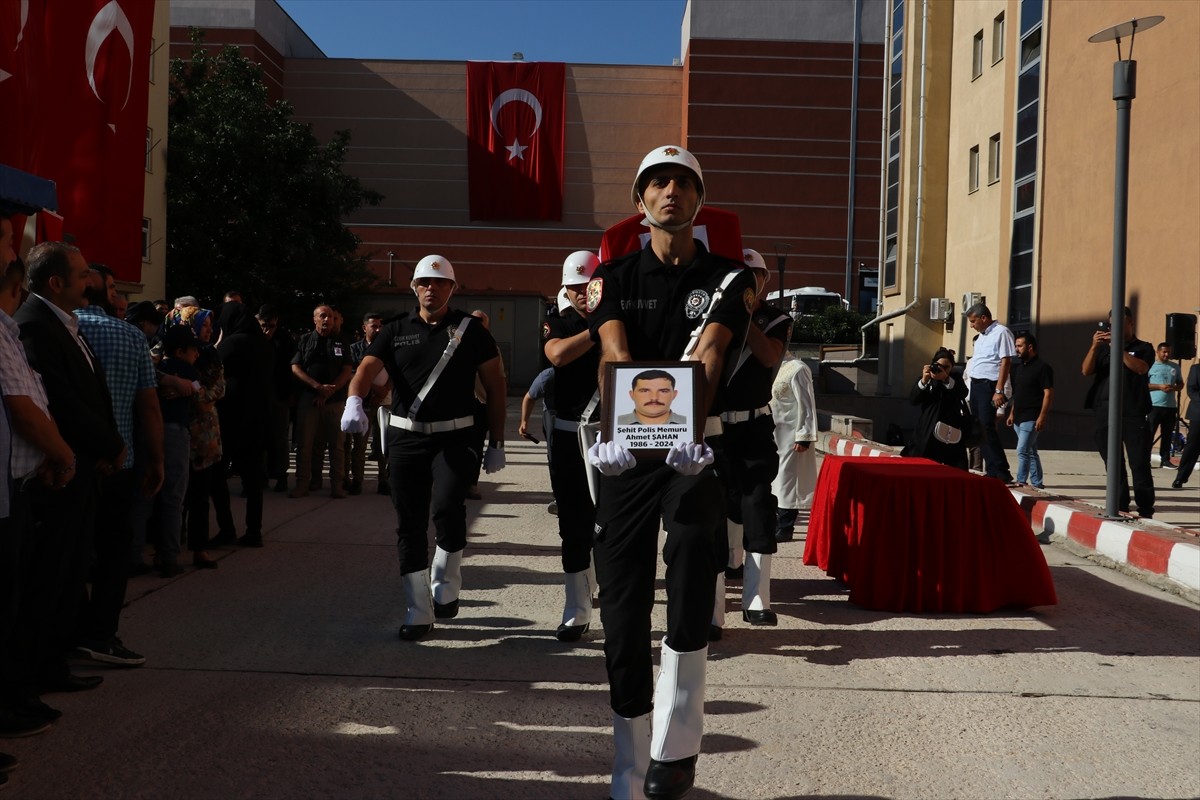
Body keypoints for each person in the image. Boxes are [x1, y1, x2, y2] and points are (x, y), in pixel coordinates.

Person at [585, 145, 754, 800]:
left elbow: (711, 354)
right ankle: (628, 761)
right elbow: (613, 353)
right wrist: (612, 438)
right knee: (622, 601)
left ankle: (677, 744)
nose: (670, 192)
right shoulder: (613, 276)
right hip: (628, 453)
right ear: (640, 202)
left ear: (698, 200)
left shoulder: (730, 278)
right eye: (657, 183)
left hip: (692, 451)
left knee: (689, 558)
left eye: (683, 183)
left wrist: (684, 434)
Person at [341, 255, 507, 641]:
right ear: (413, 288)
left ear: (453, 288)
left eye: (439, 282)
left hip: (456, 436)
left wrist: (496, 441)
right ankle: (418, 608)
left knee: (448, 507)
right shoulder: (395, 329)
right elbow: (365, 370)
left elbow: (496, 386)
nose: (431, 288)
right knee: (409, 521)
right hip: (406, 437)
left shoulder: (470, 330)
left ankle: (446, 580)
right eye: (424, 282)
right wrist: (354, 400)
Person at [14, 242, 125, 697]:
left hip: (83, 467)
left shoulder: (66, 325)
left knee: (70, 571)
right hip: (60, 471)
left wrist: (108, 443)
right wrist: (108, 443)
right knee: (51, 575)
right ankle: (38, 669)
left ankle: (53, 663)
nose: (91, 283)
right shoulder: (36, 327)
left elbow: (92, 396)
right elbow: (59, 401)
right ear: (55, 282)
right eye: (82, 276)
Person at [0, 221, 72, 737]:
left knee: (18, 602)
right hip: (10, 489)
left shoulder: (8, 327)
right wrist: (63, 453)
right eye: (6, 237)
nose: (14, 245)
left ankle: (16, 695)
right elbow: (23, 409)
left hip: (21, 486)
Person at [72, 263, 163, 667]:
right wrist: (156, 459)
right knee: (112, 554)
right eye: (113, 288)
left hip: (67, 460)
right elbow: (149, 407)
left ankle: (69, 630)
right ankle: (101, 634)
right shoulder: (129, 335)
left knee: (69, 552)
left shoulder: (61, 331)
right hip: (120, 461)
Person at [709, 248, 790, 640]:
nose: (750, 281)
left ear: (765, 280)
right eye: (742, 275)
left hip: (754, 426)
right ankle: (711, 607)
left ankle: (757, 600)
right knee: (713, 509)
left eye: (755, 275)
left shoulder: (776, 318)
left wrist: (743, 317)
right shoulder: (715, 311)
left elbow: (769, 355)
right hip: (715, 426)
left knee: (758, 505)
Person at [541, 250, 602, 642]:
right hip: (566, 435)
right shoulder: (556, 321)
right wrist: (599, 330)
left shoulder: (622, 319)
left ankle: (611, 598)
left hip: (612, 433)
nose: (583, 294)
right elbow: (558, 355)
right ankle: (577, 609)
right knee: (573, 523)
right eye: (575, 287)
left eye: (589, 286)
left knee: (612, 523)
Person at [1081, 306, 1155, 518]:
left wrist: (1118, 349)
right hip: (1105, 412)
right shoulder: (1103, 349)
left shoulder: (1144, 347)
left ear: (1130, 323)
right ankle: (1120, 505)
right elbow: (1086, 370)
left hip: (1133, 413)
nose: (1114, 328)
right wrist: (1095, 347)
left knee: (1139, 463)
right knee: (1113, 464)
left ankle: (1146, 510)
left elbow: (1141, 368)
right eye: (1112, 324)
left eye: (1120, 324)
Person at [211, 302, 274, 547]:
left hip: (231, 419)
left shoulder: (231, 343)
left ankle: (226, 528)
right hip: (258, 420)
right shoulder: (265, 345)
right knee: (253, 479)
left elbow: (213, 370)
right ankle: (253, 531)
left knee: (217, 476)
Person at [290, 304, 353, 499]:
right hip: (309, 400)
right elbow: (295, 367)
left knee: (337, 446)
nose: (327, 320)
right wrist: (316, 387)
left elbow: (347, 370)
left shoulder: (342, 341)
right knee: (305, 444)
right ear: (315, 319)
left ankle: (337, 485)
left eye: (331, 317)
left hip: (335, 402)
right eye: (323, 316)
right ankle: (302, 484)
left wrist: (328, 391)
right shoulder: (305, 340)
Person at [770, 352, 817, 543]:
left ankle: (786, 526)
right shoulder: (771, 368)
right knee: (774, 480)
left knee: (788, 481)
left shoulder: (798, 368)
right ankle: (774, 522)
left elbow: (807, 403)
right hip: (773, 433)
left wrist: (804, 435)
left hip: (791, 434)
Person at [965, 303, 1016, 482]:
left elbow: (1006, 361)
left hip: (990, 385)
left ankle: (1002, 470)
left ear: (983, 318)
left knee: (988, 426)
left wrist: (999, 390)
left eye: (973, 321)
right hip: (977, 385)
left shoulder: (1001, 332)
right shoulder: (981, 337)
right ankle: (993, 469)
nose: (972, 325)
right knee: (979, 428)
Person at [902, 349, 970, 470]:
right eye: (939, 366)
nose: (942, 370)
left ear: (952, 367)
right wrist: (924, 381)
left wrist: (946, 379)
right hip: (928, 429)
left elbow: (963, 393)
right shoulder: (927, 379)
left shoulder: (955, 379)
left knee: (954, 468)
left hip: (950, 430)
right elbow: (913, 400)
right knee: (922, 467)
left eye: (946, 367)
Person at [256, 304, 296, 492]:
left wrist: (289, 394)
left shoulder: (284, 339)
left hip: (279, 393)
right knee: (259, 436)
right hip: (259, 393)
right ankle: (261, 475)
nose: (267, 330)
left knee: (280, 437)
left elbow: (290, 369)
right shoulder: (252, 338)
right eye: (264, 325)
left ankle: (281, 475)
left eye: (271, 326)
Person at [1006, 332, 1054, 489]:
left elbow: (1048, 393)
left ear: (1030, 347)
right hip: (1018, 417)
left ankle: (1021, 481)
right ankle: (1038, 483)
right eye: (1015, 346)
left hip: (1032, 417)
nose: (1016, 349)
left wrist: (1042, 417)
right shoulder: (1019, 368)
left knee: (1022, 451)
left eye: (1019, 346)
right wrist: (1012, 413)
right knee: (1031, 451)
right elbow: (1017, 393)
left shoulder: (1043, 368)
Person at [349, 311, 389, 495]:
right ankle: (357, 481)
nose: (378, 329)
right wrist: (373, 388)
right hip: (363, 404)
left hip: (385, 403)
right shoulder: (355, 349)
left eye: (381, 326)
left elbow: (397, 372)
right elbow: (355, 373)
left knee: (384, 444)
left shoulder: (390, 348)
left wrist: (385, 390)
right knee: (359, 446)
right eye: (374, 326)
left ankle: (384, 481)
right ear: (364, 328)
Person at [1148, 342, 1183, 469]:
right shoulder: (1151, 366)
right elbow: (1144, 385)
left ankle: (1165, 459)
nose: (1166, 354)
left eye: (1168, 352)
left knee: (1167, 434)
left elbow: (1180, 384)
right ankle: (1145, 459)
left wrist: (1174, 387)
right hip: (1154, 405)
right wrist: (1159, 387)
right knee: (1150, 433)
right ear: (1158, 352)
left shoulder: (1174, 367)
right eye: (1164, 352)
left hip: (1170, 406)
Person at [616, 370, 688, 425]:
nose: (654, 398)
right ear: (632, 395)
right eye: (645, 391)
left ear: (674, 394)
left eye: (663, 391)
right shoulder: (615, 424)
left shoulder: (688, 424)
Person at [1170, 362, 1199, 489]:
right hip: (1198, 414)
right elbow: (1191, 389)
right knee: (1192, 447)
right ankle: (1180, 478)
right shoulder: (1196, 369)